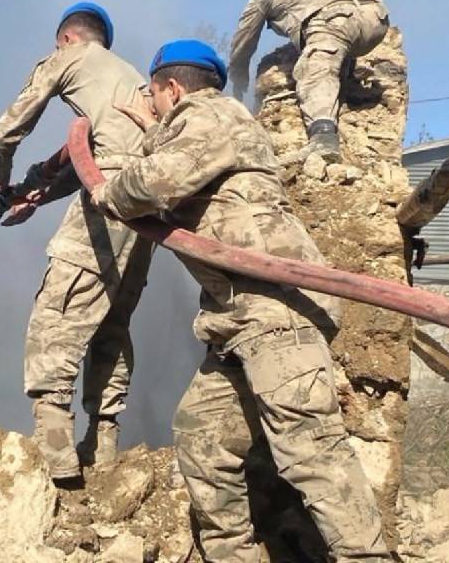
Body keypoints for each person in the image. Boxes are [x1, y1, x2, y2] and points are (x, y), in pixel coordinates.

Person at [92, 39, 389, 561]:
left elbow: (151, 183)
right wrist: (152, 131)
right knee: (202, 435)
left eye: (154, 97)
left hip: (276, 311)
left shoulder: (211, 115)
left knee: (311, 454)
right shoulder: (196, 129)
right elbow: (172, 165)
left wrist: (105, 190)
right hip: (238, 323)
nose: (151, 107)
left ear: (172, 88)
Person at [0, 1, 155, 479]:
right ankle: (103, 450)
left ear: (66, 39)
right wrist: (31, 192)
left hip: (113, 192)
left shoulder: (71, 57)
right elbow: (88, 156)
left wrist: (1, 171)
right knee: (109, 323)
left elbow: (9, 128)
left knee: (56, 314)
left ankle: (56, 461)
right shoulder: (130, 78)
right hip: (150, 207)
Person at [228, 0, 390, 160]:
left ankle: (323, 137)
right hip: (377, 18)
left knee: (313, 70)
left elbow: (245, 35)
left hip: (336, 17)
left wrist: (238, 75)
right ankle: (342, 97)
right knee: (337, 55)